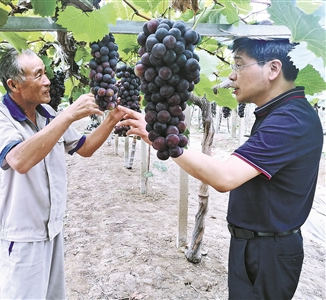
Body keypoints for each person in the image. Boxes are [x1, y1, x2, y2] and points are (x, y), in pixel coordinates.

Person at [117, 37, 323, 299]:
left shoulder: (291, 120)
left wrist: (162, 140)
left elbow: (225, 177)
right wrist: (158, 136)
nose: (231, 75)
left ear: (273, 69)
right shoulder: (279, 113)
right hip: (257, 245)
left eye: (239, 65)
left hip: (268, 252)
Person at [0, 47, 125, 299]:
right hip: (20, 236)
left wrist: (112, 119)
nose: (47, 81)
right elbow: (19, 160)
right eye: (38, 75)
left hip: (52, 229)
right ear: (14, 84)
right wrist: (68, 115)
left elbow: (85, 147)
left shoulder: (47, 115)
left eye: (45, 73)